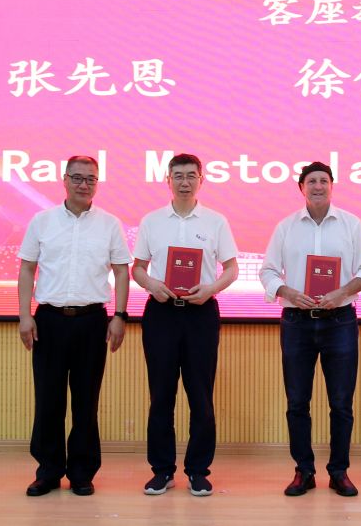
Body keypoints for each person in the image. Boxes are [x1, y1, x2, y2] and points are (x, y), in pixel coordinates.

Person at [260, 161, 361, 497]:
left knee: (341, 403)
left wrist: (342, 292)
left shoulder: (351, 224)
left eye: (324, 181)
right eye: (312, 181)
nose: (318, 186)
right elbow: (268, 272)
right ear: (302, 188)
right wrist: (287, 291)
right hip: (296, 322)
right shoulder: (285, 227)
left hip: (340, 321)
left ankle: (339, 472)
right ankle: (304, 471)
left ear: (332, 185)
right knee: (297, 402)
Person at [17, 155, 131, 497]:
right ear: (64, 180)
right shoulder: (42, 221)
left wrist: (120, 316)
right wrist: (24, 315)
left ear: (97, 183)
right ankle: (48, 472)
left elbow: (121, 272)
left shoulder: (109, 224)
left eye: (91, 179)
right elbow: (27, 269)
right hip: (49, 321)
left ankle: (82, 472)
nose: (84, 184)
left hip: (92, 322)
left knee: (86, 401)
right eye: (78, 178)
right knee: (48, 400)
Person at [132, 153, 239, 497]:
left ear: (201, 180)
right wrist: (152, 285)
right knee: (161, 395)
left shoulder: (215, 221)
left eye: (191, 175)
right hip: (161, 313)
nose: (184, 181)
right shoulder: (152, 221)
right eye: (178, 175)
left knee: (201, 396)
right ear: (168, 180)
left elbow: (231, 269)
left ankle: (197, 471)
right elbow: (137, 268)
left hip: (200, 314)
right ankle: (162, 471)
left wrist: (211, 289)